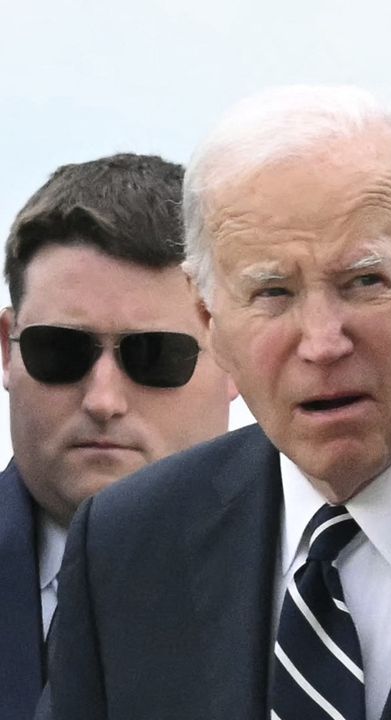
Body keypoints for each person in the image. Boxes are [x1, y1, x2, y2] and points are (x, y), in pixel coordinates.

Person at [42, 86, 391, 720]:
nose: (322, 343)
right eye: (271, 292)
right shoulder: (126, 545)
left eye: (364, 281)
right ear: (208, 319)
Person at [0, 153, 236, 720]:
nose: (103, 399)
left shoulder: (313, 597)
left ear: (236, 355)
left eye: (154, 355)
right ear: (7, 348)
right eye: (60, 350)